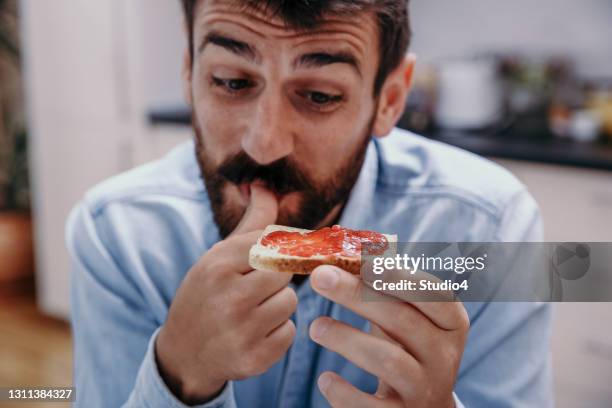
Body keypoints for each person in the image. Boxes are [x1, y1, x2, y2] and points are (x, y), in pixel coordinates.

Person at [67, 0, 552, 406]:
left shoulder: (493, 228)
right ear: (189, 68)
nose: (264, 144)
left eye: (319, 96)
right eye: (231, 82)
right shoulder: (115, 234)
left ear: (391, 98)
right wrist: (178, 374)